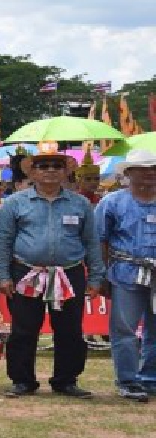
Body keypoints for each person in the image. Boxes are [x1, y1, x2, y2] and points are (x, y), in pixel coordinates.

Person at [0, 140, 104, 399]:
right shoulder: (14, 204)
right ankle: (22, 380)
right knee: (23, 328)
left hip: (70, 272)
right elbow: (2, 242)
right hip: (26, 272)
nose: (50, 170)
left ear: (66, 171)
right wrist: (3, 276)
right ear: (32, 172)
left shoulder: (80, 204)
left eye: (56, 165)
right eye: (43, 165)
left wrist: (96, 277)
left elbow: (91, 242)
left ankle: (66, 380)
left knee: (70, 329)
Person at [95, 149, 156, 402]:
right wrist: (101, 275)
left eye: (154, 169)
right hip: (125, 272)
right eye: (144, 168)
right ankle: (128, 380)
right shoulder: (112, 203)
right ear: (129, 173)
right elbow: (100, 241)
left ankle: (151, 377)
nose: (150, 173)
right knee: (124, 329)